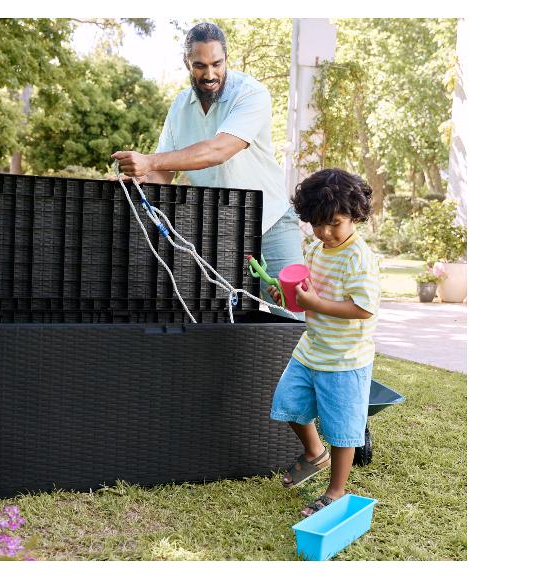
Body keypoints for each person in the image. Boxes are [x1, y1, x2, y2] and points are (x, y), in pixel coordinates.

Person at [111, 22, 303, 316]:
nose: (210, 74)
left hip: (271, 222)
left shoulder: (250, 94)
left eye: (217, 64)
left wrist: (150, 161)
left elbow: (219, 150)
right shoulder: (179, 107)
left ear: (227, 58)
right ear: (187, 63)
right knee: (223, 319)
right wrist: (139, 180)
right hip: (219, 230)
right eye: (200, 65)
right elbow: (163, 173)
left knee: (291, 314)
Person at [265, 168, 380, 517]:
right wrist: (288, 297)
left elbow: (363, 308)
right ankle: (315, 453)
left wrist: (315, 303)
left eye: (335, 224)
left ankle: (335, 491)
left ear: (355, 216)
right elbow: (309, 296)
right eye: (317, 224)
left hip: (345, 358)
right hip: (312, 348)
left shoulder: (358, 257)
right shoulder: (316, 248)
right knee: (287, 403)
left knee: (342, 431)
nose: (325, 232)